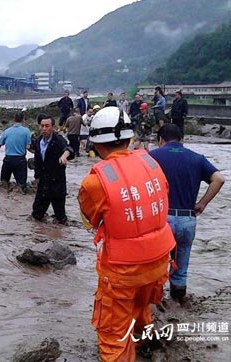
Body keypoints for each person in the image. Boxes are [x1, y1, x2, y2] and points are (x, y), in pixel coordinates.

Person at [78, 107, 176, 361]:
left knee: (114, 334)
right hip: (158, 263)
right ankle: (143, 345)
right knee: (141, 307)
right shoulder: (151, 163)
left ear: (97, 144)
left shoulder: (94, 182)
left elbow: (90, 220)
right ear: (129, 138)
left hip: (123, 270)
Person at [149, 124, 224, 303]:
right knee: (180, 270)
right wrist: (202, 203)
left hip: (161, 219)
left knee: (156, 266)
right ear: (182, 139)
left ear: (160, 139)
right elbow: (219, 179)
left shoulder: (151, 157)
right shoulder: (197, 158)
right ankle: (179, 304)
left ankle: (156, 305)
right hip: (187, 218)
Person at [32, 116, 74, 224]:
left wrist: (64, 156)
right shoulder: (38, 141)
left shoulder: (58, 140)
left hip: (57, 185)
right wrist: (36, 179)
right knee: (36, 216)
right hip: (43, 184)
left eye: (47, 126)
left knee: (61, 219)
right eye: (42, 126)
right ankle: (38, 237)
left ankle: (60, 239)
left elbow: (69, 149)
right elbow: (37, 162)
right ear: (39, 127)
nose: (44, 129)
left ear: (53, 127)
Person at [0, 112, 31, 193]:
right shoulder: (26, 131)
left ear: (13, 120)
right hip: (20, 160)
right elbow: (28, 147)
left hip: (8, 160)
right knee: (21, 185)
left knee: (4, 183)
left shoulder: (7, 131)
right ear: (23, 120)